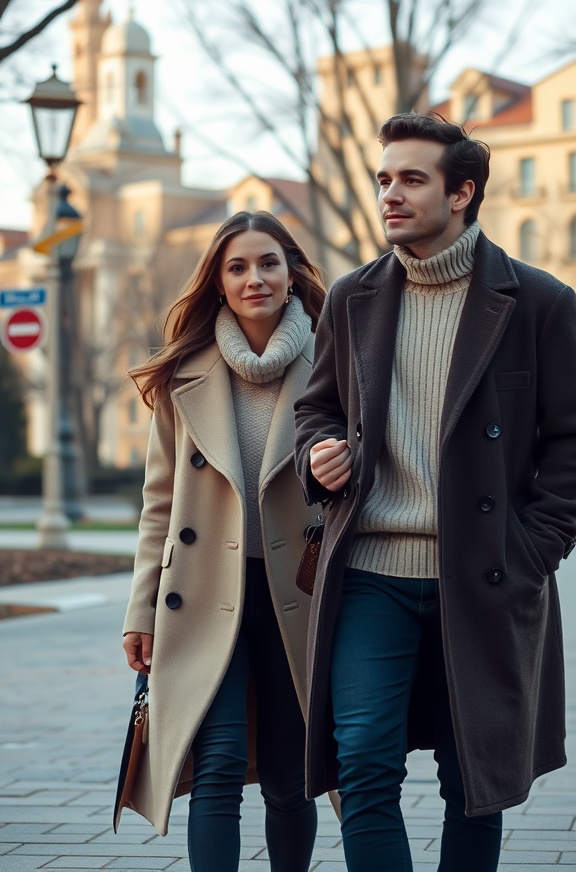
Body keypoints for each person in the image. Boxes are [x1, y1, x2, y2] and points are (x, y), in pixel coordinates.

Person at [294, 113, 576, 872]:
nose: (390, 193)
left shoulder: (540, 302)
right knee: (363, 768)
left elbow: (571, 440)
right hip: (369, 576)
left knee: (475, 781)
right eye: (384, 178)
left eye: (411, 179)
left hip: (483, 576)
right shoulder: (351, 296)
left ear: (463, 193)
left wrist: (536, 546)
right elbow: (317, 406)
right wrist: (316, 450)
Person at [118, 211, 326, 872]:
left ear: (291, 273)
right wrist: (139, 612)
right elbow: (159, 504)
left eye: (267, 262)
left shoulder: (336, 362)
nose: (253, 278)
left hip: (300, 593)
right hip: (205, 595)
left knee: (292, 779)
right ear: (218, 283)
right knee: (217, 766)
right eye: (236, 267)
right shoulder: (187, 374)